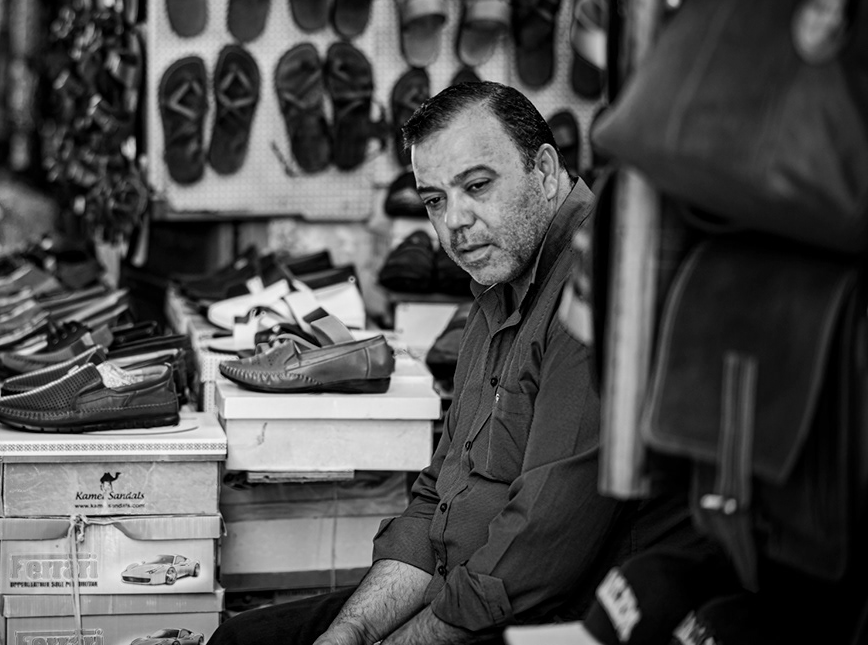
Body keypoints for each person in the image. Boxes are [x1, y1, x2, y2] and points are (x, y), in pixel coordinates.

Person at [209, 81, 705, 645]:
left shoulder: (595, 287)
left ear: (544, 171)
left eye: (477, 185)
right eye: (435, 200)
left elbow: (535, 561)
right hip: (469, 589)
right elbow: (436, 500)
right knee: (241, 641)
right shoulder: (499, 284)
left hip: (556, 619)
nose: (454, 222)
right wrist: (350, 632)